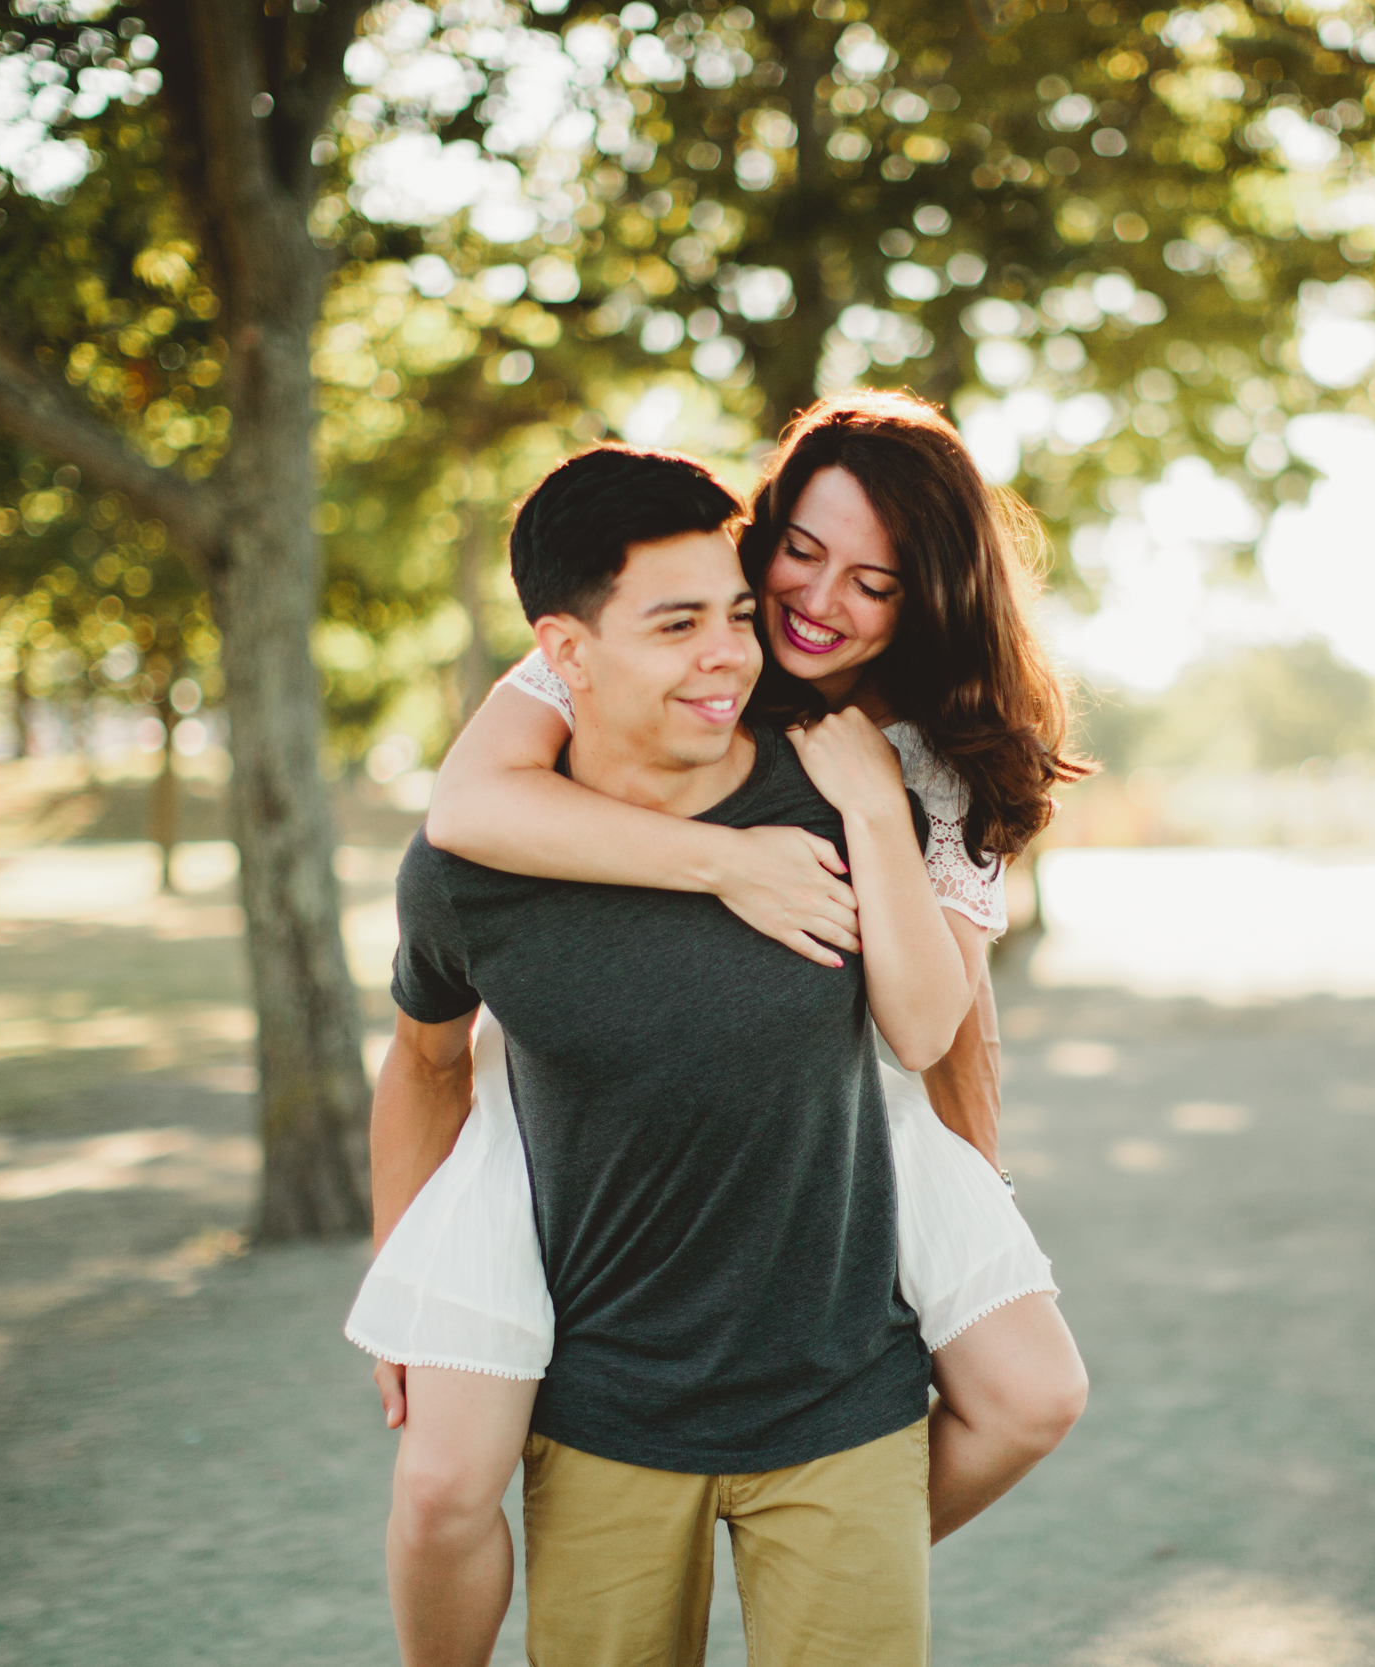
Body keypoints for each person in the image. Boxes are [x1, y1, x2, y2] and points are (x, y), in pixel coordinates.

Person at [350, 393, 1090, 1665]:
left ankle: (822, 1565)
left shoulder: (927, 750)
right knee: (445, 1484)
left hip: (874, 1084)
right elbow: (468, 811)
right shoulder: (655, 624)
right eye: (796, 551)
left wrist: (983, 1184)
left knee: (1032, 1391)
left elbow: (948, 1033)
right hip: (639, 1102)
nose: (816, 601)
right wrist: (723, 863)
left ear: (929, 598)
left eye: (876, 579)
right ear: (761, 529)